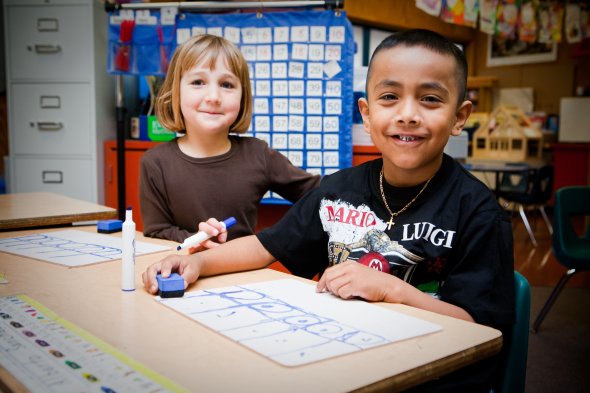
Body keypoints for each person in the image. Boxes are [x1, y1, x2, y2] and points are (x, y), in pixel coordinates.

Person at [142, 29, 515, 391]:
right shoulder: (338, 191)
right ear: (367, 115)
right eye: (389, 97)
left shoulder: (479, 213)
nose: (408, 114)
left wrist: (391, 290)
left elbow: (482, 331)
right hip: (344, 362)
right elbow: (263, 246)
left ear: (460, 116)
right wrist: (198, 263)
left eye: (430, 99)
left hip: (429, 375)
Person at [139, 34, 320, 248]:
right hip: (181, 277)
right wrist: (194, 241)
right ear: (175, 92)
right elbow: (156, 231)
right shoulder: (155, 164)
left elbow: (320, 193)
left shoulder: (258, 154)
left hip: (243, 276)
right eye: (198, 82)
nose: (214, 96)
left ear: (243, 97)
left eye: (226, 84)